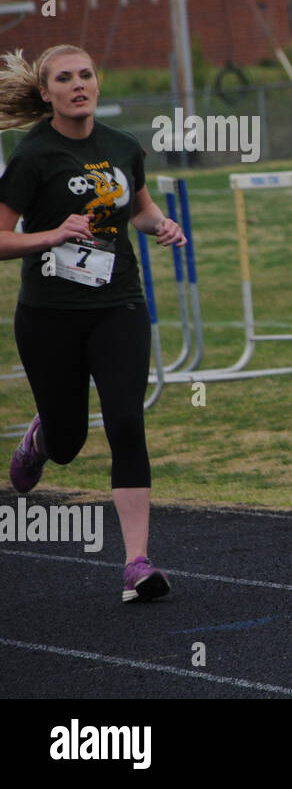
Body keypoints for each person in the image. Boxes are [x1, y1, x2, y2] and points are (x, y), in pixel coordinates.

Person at [0, 45, 185, 602]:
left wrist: (160, 225)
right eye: (65, 78)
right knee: (70, 440)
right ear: (46, 93)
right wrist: (52, 235)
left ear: (97, 84)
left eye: (85, 75)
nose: (78, 84)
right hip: (49, 316)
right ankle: (42, 436)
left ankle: (136, 562)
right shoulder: (33, 156)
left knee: (127, 420)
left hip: (118, 304)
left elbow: (139, 208)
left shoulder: (123, 147)